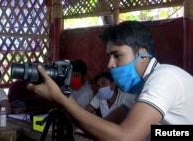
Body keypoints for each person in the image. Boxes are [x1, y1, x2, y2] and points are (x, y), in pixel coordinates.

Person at [26, 21, 193, 141]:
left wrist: (62, 100)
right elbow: (104, 126)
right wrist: (62, 99)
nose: (110, 64)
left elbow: (124, 137)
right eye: (109, 56)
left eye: (117, 55)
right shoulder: (141, 88)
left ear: (142, 55)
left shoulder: (165, 77)